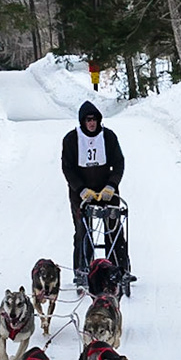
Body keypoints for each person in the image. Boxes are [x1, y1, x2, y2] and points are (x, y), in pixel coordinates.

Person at [62, 100, 129, 288]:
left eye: (94, 119)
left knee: (114, 229)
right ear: (82, 122)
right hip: (81, 193)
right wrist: (81, 189)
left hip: (107, 190)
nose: (91, 123)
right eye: (88, 120)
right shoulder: (71, 139)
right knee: (83, 231)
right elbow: (67, 168)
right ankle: (82, 270)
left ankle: (119, 269)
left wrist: (112, 185)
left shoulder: (108, 137)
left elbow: (119, 163)